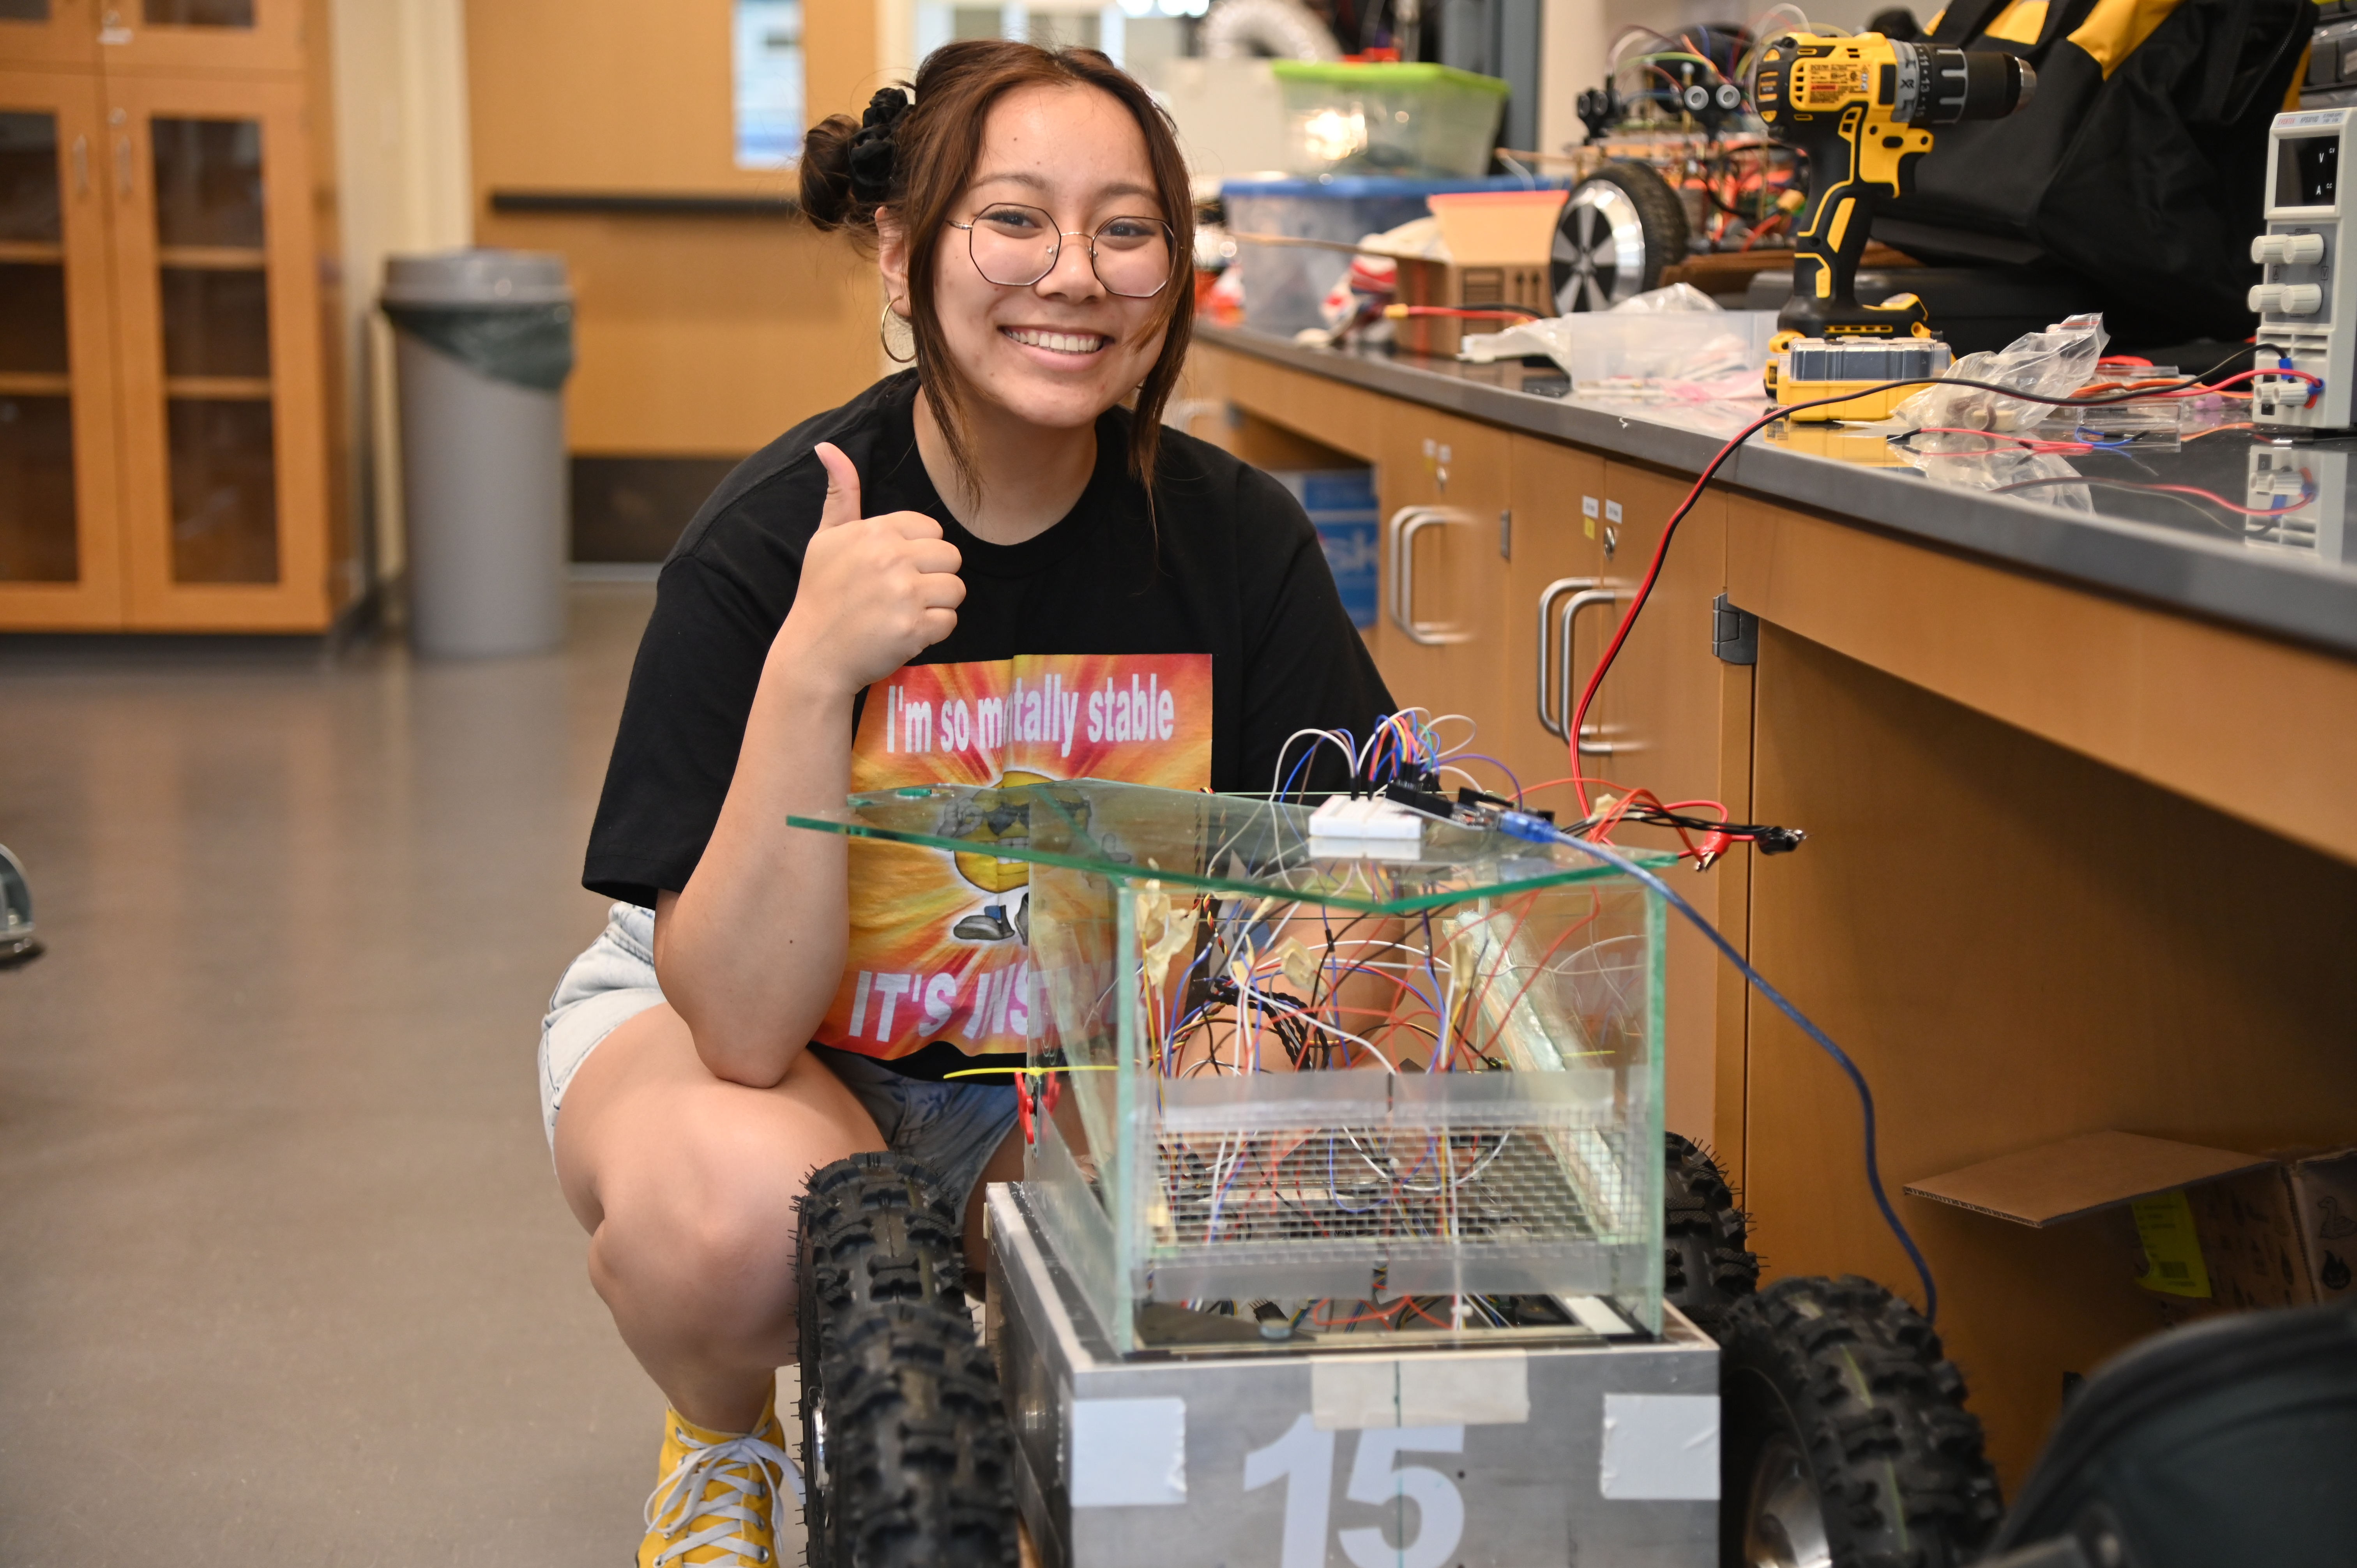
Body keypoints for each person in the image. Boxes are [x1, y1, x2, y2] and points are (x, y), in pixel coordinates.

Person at [539, 39, 1392, 1568]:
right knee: (739, 1229)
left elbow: (1355, 884)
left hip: (1075, 1056)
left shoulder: (1233, 540)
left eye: (1126, 229)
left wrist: (1256, 1062)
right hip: (778, 1055)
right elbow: (735, 1023)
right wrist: (812, 672)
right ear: (902, 249)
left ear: (1173, 274)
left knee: (1316, 1150)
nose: (1075, 273)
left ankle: (1016, 1396)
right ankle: (717, 1431)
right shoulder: (764, 544)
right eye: (1014, 220)